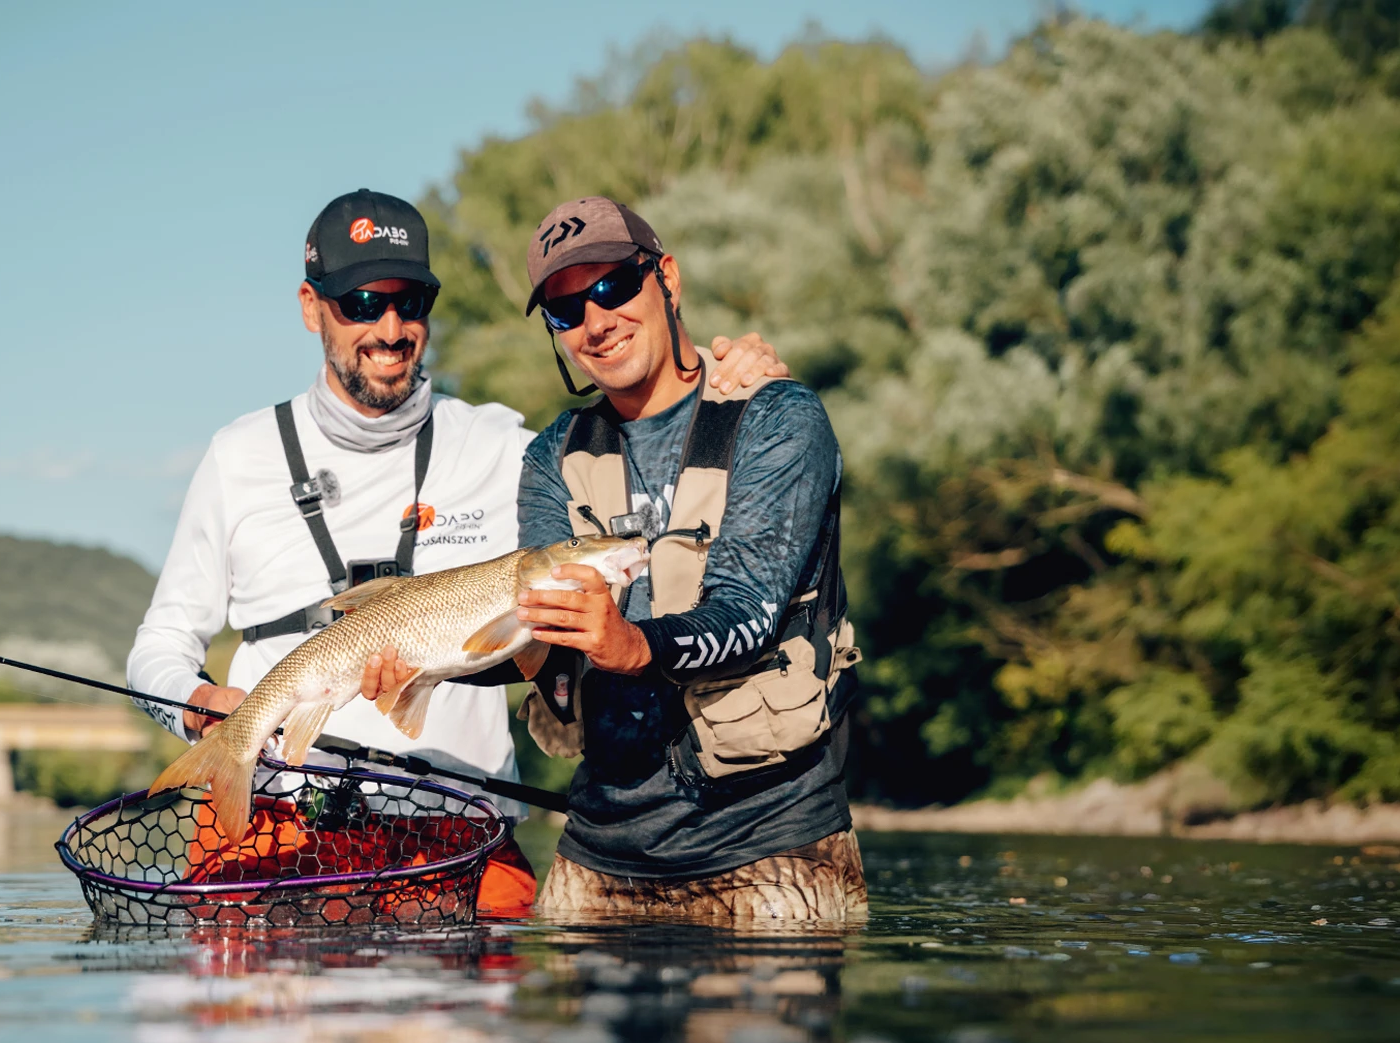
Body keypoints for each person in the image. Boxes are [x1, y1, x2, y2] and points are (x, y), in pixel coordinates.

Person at [127, 189, 786, 915]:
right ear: (312, 307)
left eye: (411, 301)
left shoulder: (511, 447)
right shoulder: (237, 456)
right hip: (285, 823)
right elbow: (158, 644)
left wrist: (739, 385)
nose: (390, 326)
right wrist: (193, 708)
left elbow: (650, 456)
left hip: (459, 830)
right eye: (360, 302)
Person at [508, 197, 866, 921]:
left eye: (612, 288)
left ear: (665, 277)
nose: (595, 321)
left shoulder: (778, 418)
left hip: (771, 848)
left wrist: (630, 644)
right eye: (566, 310)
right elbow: (539, 645)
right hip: (597, 857)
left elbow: (749, 613)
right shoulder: (552, 457)